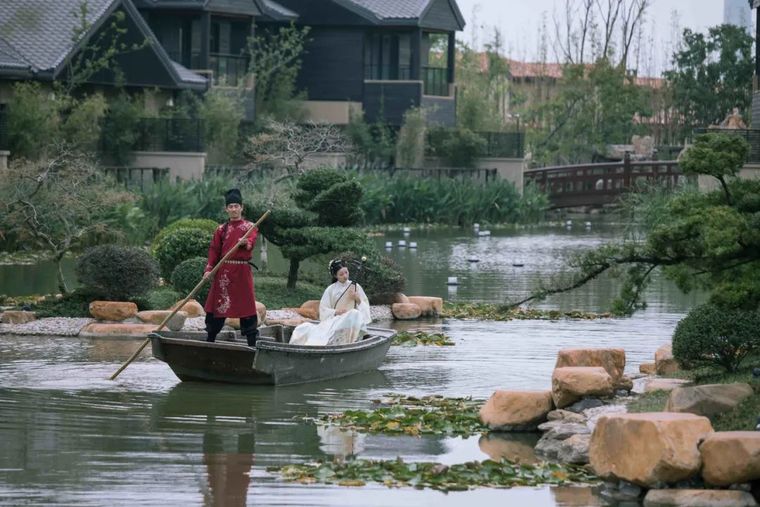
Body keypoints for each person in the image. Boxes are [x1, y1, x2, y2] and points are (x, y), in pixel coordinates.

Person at [203, 188, 259, 346]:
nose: (234, 209)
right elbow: (214, 251)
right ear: (226, 209)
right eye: (230, 206)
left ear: (242, 207)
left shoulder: (250, 226)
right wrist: (209, 270)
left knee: (246, 307)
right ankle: (209, 341)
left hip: (242, 273)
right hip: (224, 273)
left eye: (236, 206)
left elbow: (252, 241)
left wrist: (245, 243)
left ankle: (252, 344)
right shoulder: (221, 229)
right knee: (218, 305)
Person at [289, 259, 371, 346]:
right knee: (303, 328)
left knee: (355, 313)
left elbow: (365, 307)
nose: (345, 276)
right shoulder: (331, 289)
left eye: (346, 272)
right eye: (341, 274)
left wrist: (357, 299)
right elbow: (323, 309)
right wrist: (336, 312)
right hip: (336, 321)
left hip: (352, 321)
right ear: (335, 276)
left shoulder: (356, 287)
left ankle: (359, 335)